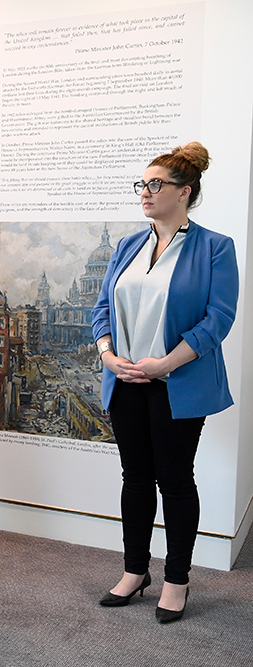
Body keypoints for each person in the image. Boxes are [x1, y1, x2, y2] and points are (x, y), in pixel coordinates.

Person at [91, 142, 239, 624]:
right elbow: (101, 309)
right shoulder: (127, 246)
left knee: (174, 481)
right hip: (125, 379)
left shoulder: (215, 247)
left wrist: (165, 364)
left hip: (178, 381)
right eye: (143, 184)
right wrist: (108, 356)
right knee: (134, 478)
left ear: (185, 191)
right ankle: (135, 570)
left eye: (156, 184)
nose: (145, 192)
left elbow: (218, 319)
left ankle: (177, 579)